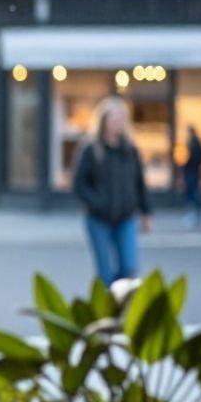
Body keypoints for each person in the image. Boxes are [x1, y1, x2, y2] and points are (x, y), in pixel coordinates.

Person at [71, 97, 152, 286]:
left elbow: (140, 183)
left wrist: (146, 212)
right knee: (105, 273)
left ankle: (121, 308)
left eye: (121, 119)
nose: (117, 124)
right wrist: (97, 203)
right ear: (103, 122)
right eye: (113, 119)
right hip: (98, 219)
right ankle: (107, 310)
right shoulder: (91, 149)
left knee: (129, 267)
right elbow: (79, 184)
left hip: (125, 217)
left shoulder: (130, 150)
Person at [181, 125, 201, 228]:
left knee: (192, 193)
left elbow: (195, 158)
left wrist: (186, 164)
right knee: (191, 193)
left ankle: (195, 214)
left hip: (192, 172)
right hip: (192, 171)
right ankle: (195, 214)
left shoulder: (194, 143)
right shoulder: (194, 142)